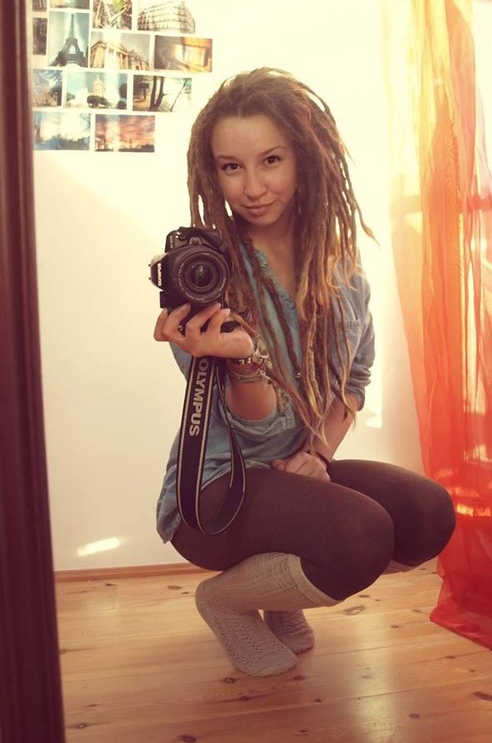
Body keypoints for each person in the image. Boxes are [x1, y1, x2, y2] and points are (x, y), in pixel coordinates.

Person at [153, 67, 456, 677]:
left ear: (306, 159)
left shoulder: (342, 270)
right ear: (211, 173)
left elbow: (354, 380)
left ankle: (279, 588)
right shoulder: (207, 276)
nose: (252, 187)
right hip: (214, 492)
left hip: (296, 470)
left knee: (428, 513)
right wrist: (244, 361)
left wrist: (318, 454)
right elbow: (257, 432)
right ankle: (228, 600)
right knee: (359, 534)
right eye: (231, 167)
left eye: (271, 160)